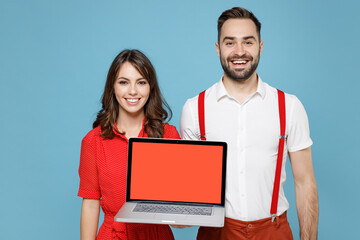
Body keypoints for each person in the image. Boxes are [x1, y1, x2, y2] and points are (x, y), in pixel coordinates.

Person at [180, 7, 318, 240]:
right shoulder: (194, 109)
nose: (240, 51)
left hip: (274, 232)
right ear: (218, 49)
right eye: (230, 43)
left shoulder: (290, 106)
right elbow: (190, 190)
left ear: (260, 47)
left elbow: (305, 183)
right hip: (216, 232)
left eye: (248, 42)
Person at [78, 49, 180, 240]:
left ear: (151, 88)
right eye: (123, 82)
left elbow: (179, 202)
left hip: (157, 234)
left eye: (141, 82)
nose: (132, 91)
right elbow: (91, 204)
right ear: (112, 87)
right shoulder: (93, 141)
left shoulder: (169, 135)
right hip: (113, 235)